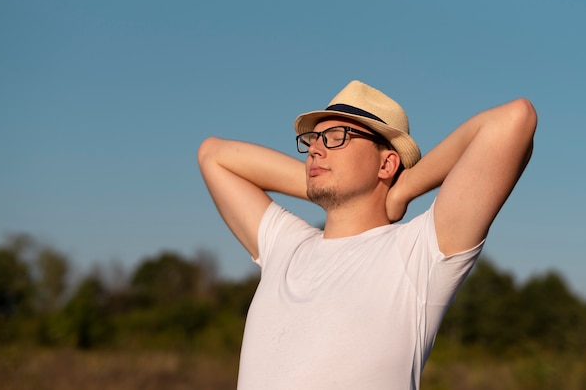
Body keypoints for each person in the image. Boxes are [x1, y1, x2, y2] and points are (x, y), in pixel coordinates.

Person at [198, 80, 536, 389]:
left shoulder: (416, 253)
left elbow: (513, 120)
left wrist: (404, 189)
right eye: (313, 139)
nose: (316, 149)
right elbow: (213, 155)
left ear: (386, 164)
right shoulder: (286, 246)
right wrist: (326, 184)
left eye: (337, 137)